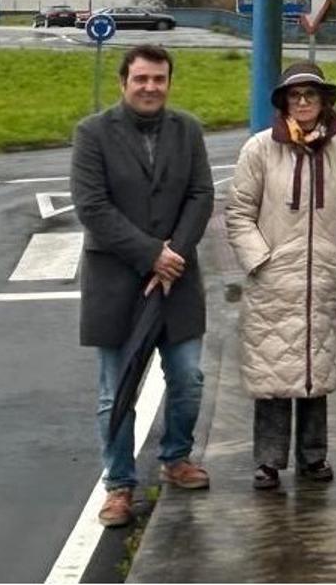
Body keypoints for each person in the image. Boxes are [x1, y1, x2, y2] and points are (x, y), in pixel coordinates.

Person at [70, 44, 214, 528]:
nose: (150, 87)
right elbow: (92, 206)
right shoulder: (92, 133)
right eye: (141, 79)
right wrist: (151, 254)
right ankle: (119, 485)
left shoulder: (188, 129)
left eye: (159, 79)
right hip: (116, 282)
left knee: (188, 378)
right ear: (123, 82)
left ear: (168, 82)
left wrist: (173, 256)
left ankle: (176, 457)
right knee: (116, 391)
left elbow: (201, 194)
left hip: (177, 280)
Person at [225, 62, 336, 490]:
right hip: (273, 278)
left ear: (324, 101)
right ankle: (268, 460)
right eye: (295, 95)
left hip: (324, 276)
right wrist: (259, 260)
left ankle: (313, 456)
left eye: (311, 95)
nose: (303, 102)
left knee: (315, 368)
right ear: (284, 102)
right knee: (272, 370)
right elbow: (239, 212)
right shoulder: (259, 149)